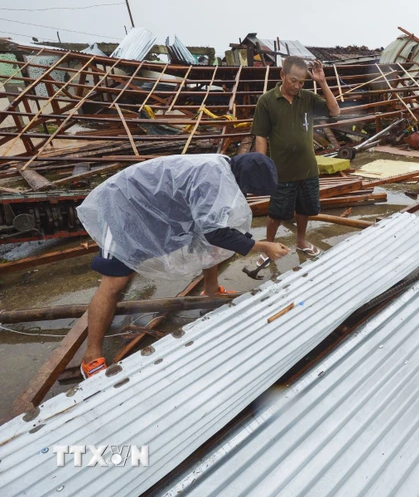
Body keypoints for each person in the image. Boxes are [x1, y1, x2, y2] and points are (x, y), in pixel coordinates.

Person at [75, 153, 290, 378]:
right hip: (120, 204)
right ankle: (91, 357)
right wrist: (262, 246)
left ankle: (211, 290)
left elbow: (214, 226)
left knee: (209, 245)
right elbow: (215, 232)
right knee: (115, 280)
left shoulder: (227, 169)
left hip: (155, 203)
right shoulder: (212, 177)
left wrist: (244, 239)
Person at [251, 56, 341, 266]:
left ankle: (301, 241)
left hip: (308, 168)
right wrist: (262, 167)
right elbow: (261, 136)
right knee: (276, 212)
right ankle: (268, 247)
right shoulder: (267, 101)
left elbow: (335, 111)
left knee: (304, 209)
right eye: (293, 80)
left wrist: (322, 83)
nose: (297, 86)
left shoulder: (307, 98)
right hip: (281, 170)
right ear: (282, 75)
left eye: (301, 82)